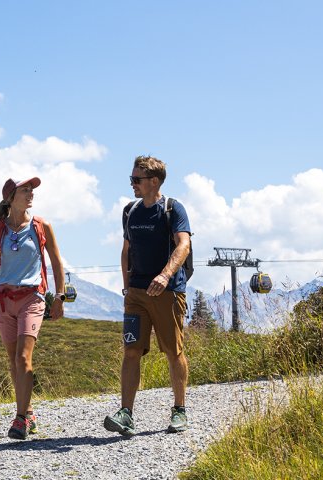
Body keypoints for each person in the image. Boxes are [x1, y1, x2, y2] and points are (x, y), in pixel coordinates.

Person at [0, 177, 67, 440]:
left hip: (32, 297)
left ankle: (19, 419)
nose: (31, 194)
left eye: (32, 190)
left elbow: (56, 263)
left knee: (23, 358)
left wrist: (60, 296)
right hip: (4, 301)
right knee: (13, 361)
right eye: (25, 190)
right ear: (11, 197)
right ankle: (28, 412)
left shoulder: (42, 226)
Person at [103, 155, 192, 436]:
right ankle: (126, 413)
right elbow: (126, 250)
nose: (132, 184)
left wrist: (165, 276)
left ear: (154, 181)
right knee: (131, 351)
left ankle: (179, 410)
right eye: (131, 179)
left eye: (136, 179)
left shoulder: (173, 209)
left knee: (172, 350)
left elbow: (183, 245)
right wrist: (127, 286)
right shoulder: (130, 211)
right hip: (136, 294)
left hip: (168, 292)